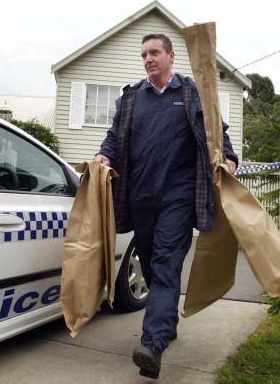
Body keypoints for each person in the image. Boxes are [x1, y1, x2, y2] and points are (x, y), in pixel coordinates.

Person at [94, 33, 238, 379]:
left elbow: (219, 135)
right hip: (140, 195)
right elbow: (115, 138)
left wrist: (229, 159)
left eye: (155, 52)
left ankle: (153, 343)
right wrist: (104, 153)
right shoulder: (131, 98)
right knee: (151, 262)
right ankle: (166, 322)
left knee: (167, 259)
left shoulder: (191, 93)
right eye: (144, 54)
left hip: (179, 195)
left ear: (171, 56)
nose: (148, 58)